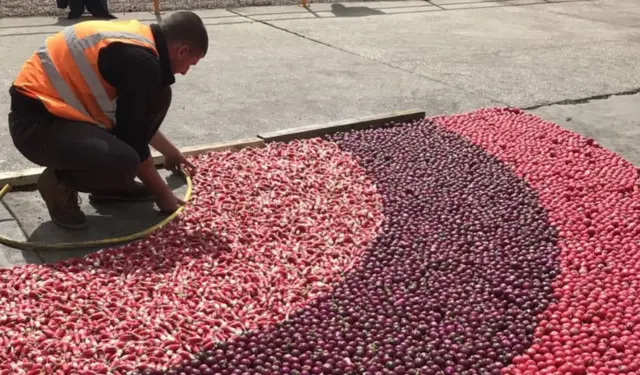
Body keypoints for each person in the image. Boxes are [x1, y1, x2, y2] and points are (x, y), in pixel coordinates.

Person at [7, 11, 208, 230]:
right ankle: (58, 183)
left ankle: (110, 186)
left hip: (60, 114)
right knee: (125, 161)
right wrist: (163, 194)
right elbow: (134, 139)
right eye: (191, 63)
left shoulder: (139, 41)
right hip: (35, 125)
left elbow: (134, 120)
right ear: (182, 50)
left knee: (160, 95)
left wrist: (171, 153)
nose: (186, 71)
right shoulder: (141, 63)